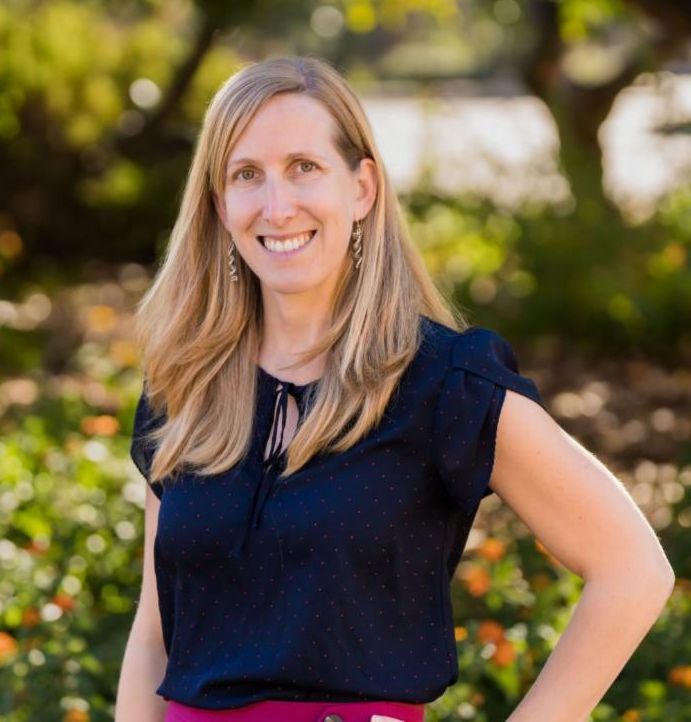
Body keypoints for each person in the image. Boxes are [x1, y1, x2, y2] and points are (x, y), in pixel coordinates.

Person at [115, 56, 675, 722]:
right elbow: (154, 634)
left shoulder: (442, 384)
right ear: (219, 205)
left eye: (304, 167)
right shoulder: (185, 388)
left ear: (362, 189)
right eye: (246, 175)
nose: (277, 204)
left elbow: (633, 571)